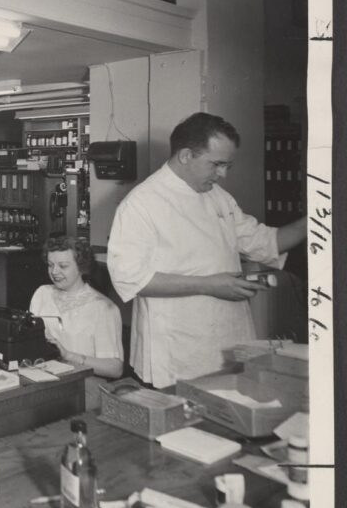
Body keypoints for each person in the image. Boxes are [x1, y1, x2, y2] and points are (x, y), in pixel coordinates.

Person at [107, 112, 307, 388]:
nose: (222, 174)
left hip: (229, 342)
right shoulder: (141, 204)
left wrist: (318, 218)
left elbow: (265, 243)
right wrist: (209, 285)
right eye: (216, 164)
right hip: (178, 353)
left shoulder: (218, 197)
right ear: (186, 155)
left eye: (227, 166)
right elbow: (132, 278)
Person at [29, 236, 123, 410]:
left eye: (63, 266)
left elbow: (115, 369)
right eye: (50, 265)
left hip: (83, 390)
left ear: (81, 266)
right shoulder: (42, 293)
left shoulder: (103, 308)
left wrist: (69, 356)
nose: (54, 271)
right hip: (43, 381)